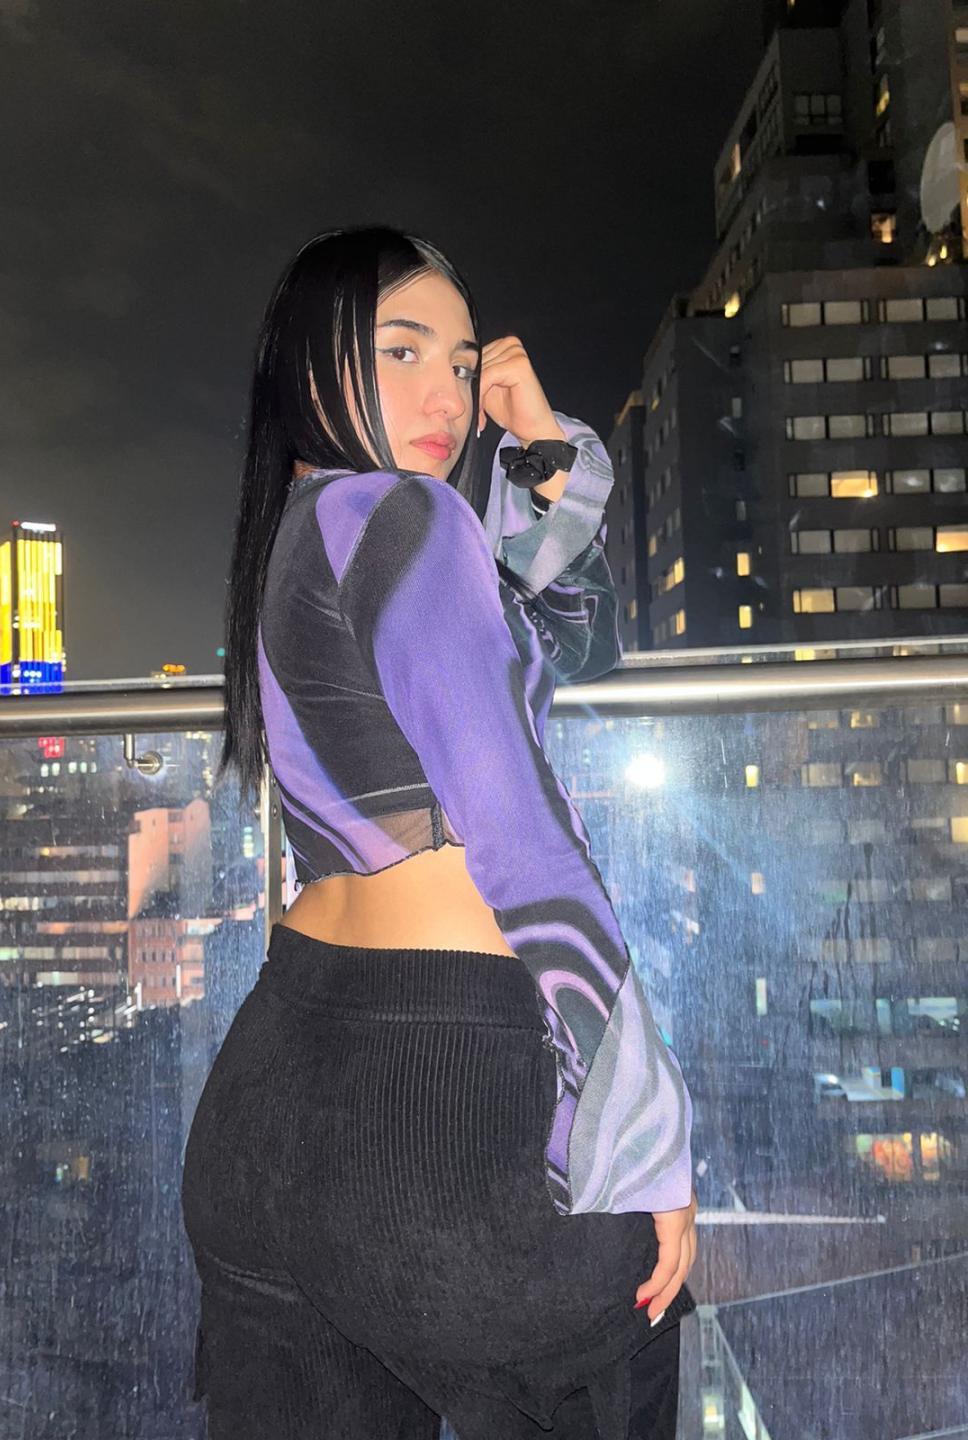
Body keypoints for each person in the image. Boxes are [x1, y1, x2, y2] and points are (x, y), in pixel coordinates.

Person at [182, 225, 698, 1440]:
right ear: (310, 359)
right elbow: (523, 835)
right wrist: (648, 1137)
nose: (449, 397)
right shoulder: (404, 514)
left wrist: (538, 449)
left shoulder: (304, 526)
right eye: (402, 351)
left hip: (269, 1105)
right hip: (437, 1106)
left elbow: (566, 644)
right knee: (623, 1341)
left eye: (463, 365)